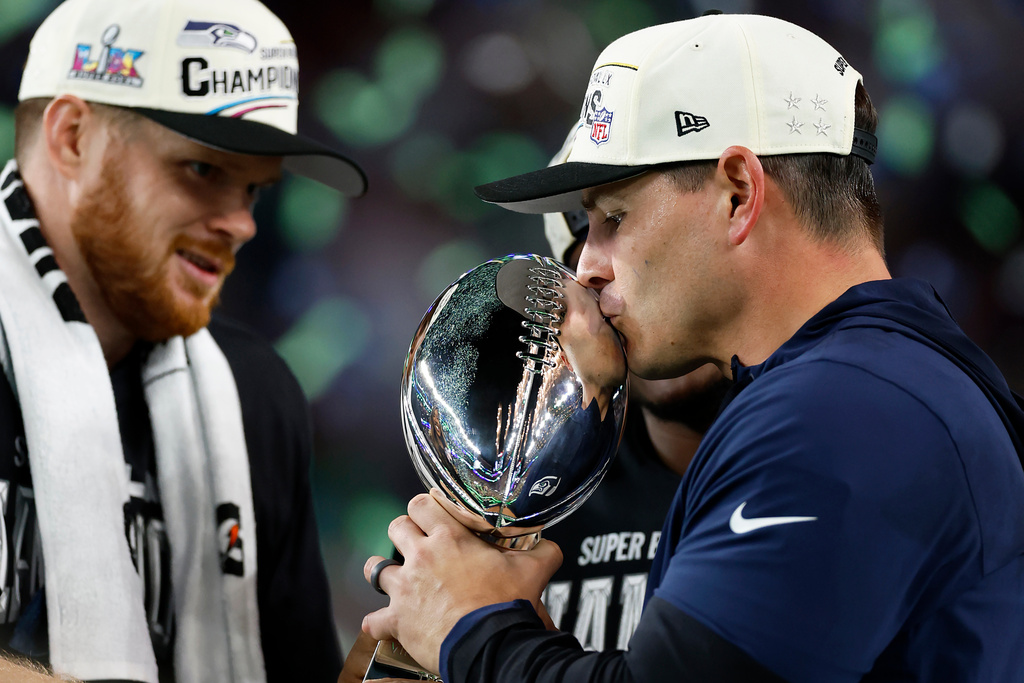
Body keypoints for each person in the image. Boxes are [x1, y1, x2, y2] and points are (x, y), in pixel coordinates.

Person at [360, 12, 1024, 683]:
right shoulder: (875, 385)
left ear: (738, 193)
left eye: (612, 217)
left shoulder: (843, 410)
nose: (585, 265)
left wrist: (472, 627)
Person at [0, 0, 366, 681]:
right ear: (73, 137)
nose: (240, 223)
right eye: (202, 169)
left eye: (255, 190)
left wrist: (417, 649)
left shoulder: (256, 390)